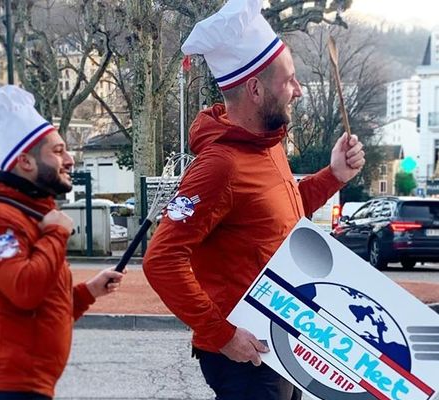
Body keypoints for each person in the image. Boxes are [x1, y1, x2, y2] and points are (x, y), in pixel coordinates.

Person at [143, 0, 365, 399]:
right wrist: (222, 334)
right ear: (256, 89)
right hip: (246, 356)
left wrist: (334, 176)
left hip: (282, 341)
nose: (297, 90)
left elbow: (281, 212)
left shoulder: (268, 146)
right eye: (290, 80)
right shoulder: (219, 166)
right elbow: (161, 260)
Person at [0, 85, 125, 400]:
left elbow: (45, 307)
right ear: (26, 162)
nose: (70, 159)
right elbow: (25, 290)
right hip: (0, 389)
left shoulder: (32, 213)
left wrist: (89, 292)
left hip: (23, 388)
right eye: (58, 151)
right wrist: (56, 234)